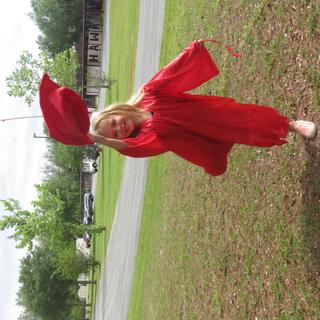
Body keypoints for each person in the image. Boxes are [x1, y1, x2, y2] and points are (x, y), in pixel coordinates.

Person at [87, 39, 317, 176]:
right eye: (116, 133)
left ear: (115, 112)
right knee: (245, 133)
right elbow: (125, 146)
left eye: (114, 123)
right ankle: (282, 128)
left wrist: (191, 51)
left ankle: (292, 125)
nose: (120, 128)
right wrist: (100, 139)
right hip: (200, 138)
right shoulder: (145, 138)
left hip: (210, 113)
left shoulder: (148, 95)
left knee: (250, 119)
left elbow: (170, 73)